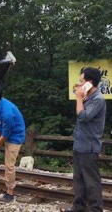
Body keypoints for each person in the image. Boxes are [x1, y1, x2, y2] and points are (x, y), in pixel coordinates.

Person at [62, 67, 106, 212]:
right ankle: (78, 206)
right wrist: (82, 98)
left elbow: (83, 116)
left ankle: (95, 209)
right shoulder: (88, 98)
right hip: (80, 144)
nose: (79, 85)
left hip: (89, 146)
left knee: (91, 181)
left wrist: (79, 98)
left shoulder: (98, 99)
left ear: (89, 82)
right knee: (79, 179)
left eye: (81, 81)